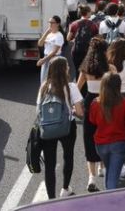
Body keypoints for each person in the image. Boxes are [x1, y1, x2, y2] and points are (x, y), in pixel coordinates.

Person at [37, 57, 84, 198]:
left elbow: (38, 110)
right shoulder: (71, 87)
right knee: (68, 157)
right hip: (67, 127)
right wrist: (73, 112)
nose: (69, 68)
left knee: (50, 165)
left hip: (48, 127)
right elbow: (80, 112)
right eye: (67, 66)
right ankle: (65, 189)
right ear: (64, 70)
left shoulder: (44, 86)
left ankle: (51, 198)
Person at [77, 38, 116, 192]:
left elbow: (77, 87)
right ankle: (103, 167)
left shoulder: (85, 68)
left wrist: (78, 105)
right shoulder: (110, 68)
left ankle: (91, 177)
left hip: (89, 103)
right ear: (104, 52)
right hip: (105, 103)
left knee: (89, 138)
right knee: (105, 136)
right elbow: (115, 89)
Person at [89, 73, 125, 190]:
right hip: (119, 143)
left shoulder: (95, 103)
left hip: (101, 145)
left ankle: (108, 199)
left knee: (110, 172)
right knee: (113, 178)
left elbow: (92, 121)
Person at [66, 5, 98, 78]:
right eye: (90, 12)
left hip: (76, 51)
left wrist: (75, 39)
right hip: (88, 51)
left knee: (77, 71)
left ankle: (78, 87)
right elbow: (96, 38)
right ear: (87, 13)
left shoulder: (74, 24)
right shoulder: (93, 25)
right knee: (87, 70)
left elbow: (68, 38)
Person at [37, 16, 65, 84]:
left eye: (52, 22)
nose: (50, 24)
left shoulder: (59, 36)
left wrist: (43, 60)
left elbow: (54, 51)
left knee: (52, 81)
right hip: (46, 57)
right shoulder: (49, 34)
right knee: (43, 80)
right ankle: (44, 94)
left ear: (58, 24)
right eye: (49, 22)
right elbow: (40, 44)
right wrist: (46, 33)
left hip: (54, 59)